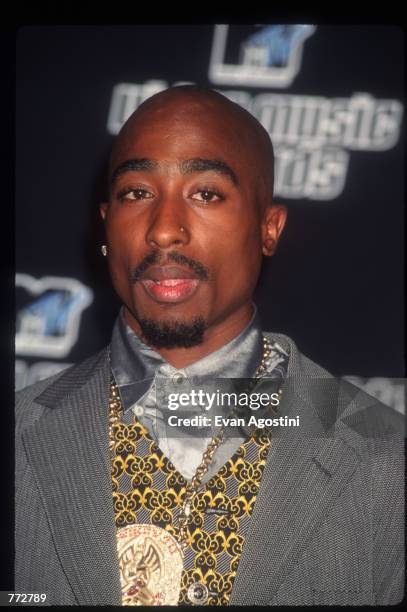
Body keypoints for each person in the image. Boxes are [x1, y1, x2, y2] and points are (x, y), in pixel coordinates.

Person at [15, 86, 404, 606]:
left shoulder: (384, 456)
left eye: (206, 193)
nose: (164, 231)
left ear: (269, 229)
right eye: (137, 192)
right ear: (105, 222)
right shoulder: (17, 433)